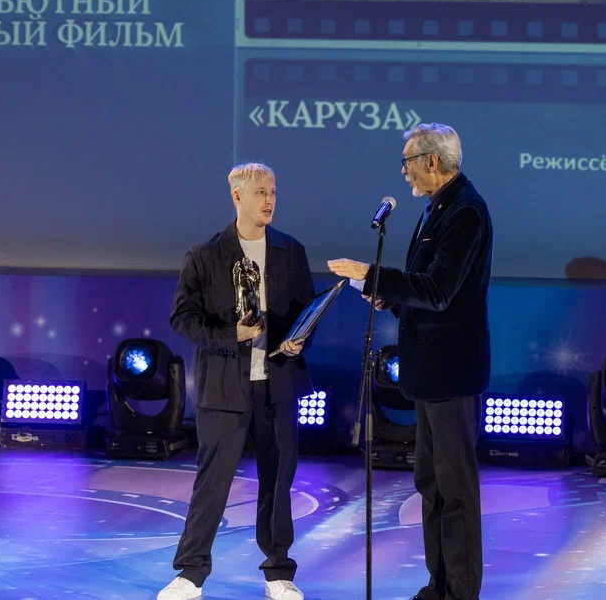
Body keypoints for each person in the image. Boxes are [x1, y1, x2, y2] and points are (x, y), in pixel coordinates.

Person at [328, 124, 493, 600]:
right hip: (428, 372)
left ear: (431, 162)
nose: (403, 172)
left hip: (451, 372)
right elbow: (424, 290)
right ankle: (438, 585)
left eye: (407, 162)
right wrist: (389, 298)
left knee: (455, 489)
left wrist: (373, 275)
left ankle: (461, 592)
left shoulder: (466, 211)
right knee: (431, 484)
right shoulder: (437, 207)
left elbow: (439, 291)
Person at [160, 163, 313, 600]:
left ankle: (278, 573)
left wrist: (300, 339)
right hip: (225, 386)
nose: (269, 200)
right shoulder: (206, 254)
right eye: (261, 192)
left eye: (273, 192)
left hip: (277, 384)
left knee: (277, 481)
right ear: (237, 196)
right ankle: (191, 573)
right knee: (212, 482)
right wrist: (232, 334)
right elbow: (182, 317)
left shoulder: (290, 251)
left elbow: (307, 310)